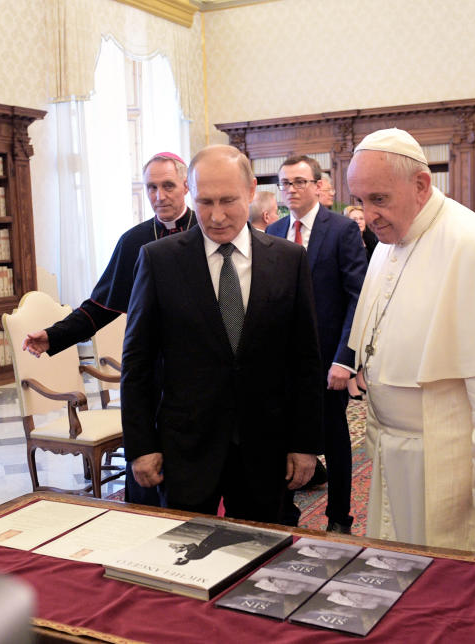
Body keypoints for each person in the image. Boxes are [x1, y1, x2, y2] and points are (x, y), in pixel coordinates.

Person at [346, 127, 475, 554]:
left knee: (457, 592)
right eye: (361, 201)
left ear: (421, 185)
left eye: (379, 199)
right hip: (399, 458)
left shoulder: (473, 247)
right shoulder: (390, 241)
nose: (369, 216)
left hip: (450, 466)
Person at [121, 144, 323, 525]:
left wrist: (305, 443)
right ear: (190, 195)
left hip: (267, 445)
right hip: (186, 447)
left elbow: (305, 359)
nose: (215, 216)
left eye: (228, 201)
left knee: (264, 559)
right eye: (204, 201)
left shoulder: (289, 260)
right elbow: (138, 361)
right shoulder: (158, 259)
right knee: (183, 557)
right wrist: (141, 446)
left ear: (250, 192)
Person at [21, 152, 196, 506]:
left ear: (185, 187)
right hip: (150, 370)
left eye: (168, 186)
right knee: (147, 466)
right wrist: (54, 335)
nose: (159, 196)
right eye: (151, 187)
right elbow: (100, 306)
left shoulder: (205, 232)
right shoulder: (134, 241)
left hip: (197, 371)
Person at [266, 155, 367, 533]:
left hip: (327, 361)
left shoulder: (340, 230)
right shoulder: (271, 232)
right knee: (282, 438)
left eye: (299, 182)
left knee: (334, 439)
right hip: (278, 364)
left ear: (317, 186)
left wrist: (345, 359)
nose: (291, 189)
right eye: (284, 182)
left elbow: (357, 298)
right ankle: (285, 512)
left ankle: (339, 516)